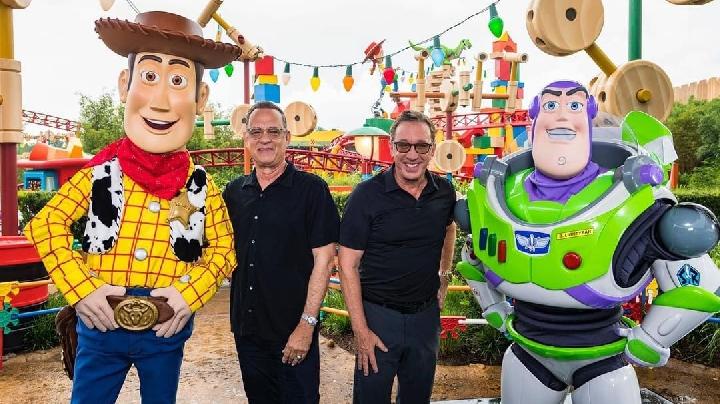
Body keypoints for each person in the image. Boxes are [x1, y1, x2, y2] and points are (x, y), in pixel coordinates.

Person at [455, 80, 720, 404]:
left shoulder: (637, 202)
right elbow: (474, 257)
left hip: (602, 360)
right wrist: (492, 305)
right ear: (535, 123)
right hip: (528, 352)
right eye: (550, 106)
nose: (561, 116)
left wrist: (653, 337)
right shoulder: (500, 192)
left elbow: (700, 283)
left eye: (573, 106)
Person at [24, 11, 238, 403]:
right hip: (101, 323)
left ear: (200, 98)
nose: (161, 101)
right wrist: (82, 289)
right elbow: (45, 224)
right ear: (125, 84)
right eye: (149, 76)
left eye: (178, 81)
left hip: (165, 327)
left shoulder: (198, 185)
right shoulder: (101, 173)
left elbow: (224, 250)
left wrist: (189, 295)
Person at [223, 102, 340, 404]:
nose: (265, 139)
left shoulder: (312, 191)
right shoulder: (233, 193)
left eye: (273, 131)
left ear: (287, 137)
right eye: (256, 132)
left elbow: (324, 261)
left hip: (293, 331)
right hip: (247, 332)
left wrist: (307, 325)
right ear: (246, 139)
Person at [338, 110, 457, 403]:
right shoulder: (366, 195)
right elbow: (347, 264)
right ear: (392, 148)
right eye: (403, 145)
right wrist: (361, 330)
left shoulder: (444, 192)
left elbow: (449, 228)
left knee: (418, 398)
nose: (412, 154)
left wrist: (444, 277)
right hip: (378, 318)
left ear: (432, 149)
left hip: (425, 319)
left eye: (421, 146)